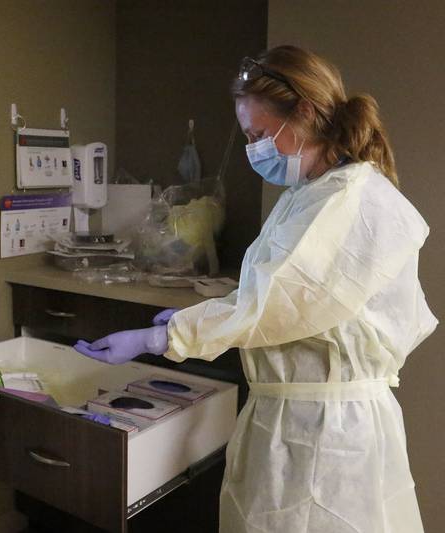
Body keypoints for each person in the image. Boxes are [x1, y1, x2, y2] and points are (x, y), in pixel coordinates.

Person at [74, 45, 438, 533]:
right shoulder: (310, 194)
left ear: (305, 113)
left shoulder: (349, 201)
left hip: (324, 435)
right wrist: (203, 315)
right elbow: (278, 295)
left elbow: (274, 305)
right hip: (295, 421)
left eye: (261, 135)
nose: (253, 150)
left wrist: (164, 337)